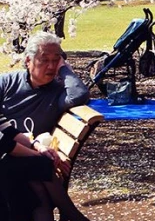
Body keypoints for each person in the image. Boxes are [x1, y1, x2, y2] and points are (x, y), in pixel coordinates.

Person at [0, 32, 91, 221]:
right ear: (28, 61)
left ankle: (72, 215)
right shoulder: (7, 83)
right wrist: (38, 152)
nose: (51, 66)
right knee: (39, 172)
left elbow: (79, 95)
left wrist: (64, 69)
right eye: (44, 60)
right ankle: (72, 215)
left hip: (20, 158)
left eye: (55, 60)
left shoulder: (57, 91)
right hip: (8, 157)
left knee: (38, 184)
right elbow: (5, 140)